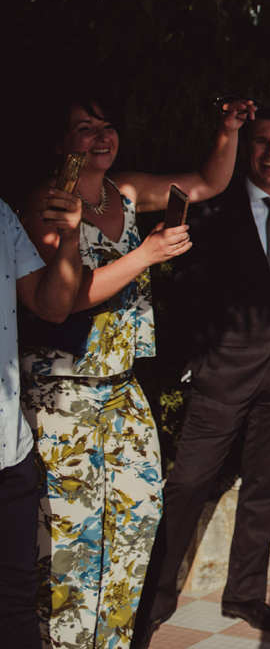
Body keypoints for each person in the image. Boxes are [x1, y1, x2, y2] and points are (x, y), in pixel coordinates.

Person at [20, 94, 248, 649]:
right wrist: (146, 254)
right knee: (71, 546)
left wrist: (228, 129)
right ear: (59, 144)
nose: (101, 135)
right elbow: (63, 301)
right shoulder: (47, 204)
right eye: (83, 128)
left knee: (135, 527)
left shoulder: (124, 190)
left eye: (106, 125)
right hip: (63, 398)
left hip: (122, 390)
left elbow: (206, 182)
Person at [134, 109, 270, 643]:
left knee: (264, 489)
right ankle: (151, 599)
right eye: (262, 141)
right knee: (188, 484)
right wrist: (191, 358)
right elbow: (185, 288)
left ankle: (244, 595)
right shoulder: (214, 209)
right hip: (221, 370)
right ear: (247, 149)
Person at [2, 188, 83, 649]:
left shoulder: (2, 216)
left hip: (8, 450)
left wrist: (69, 240)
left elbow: (51, 306)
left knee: (15, 607)